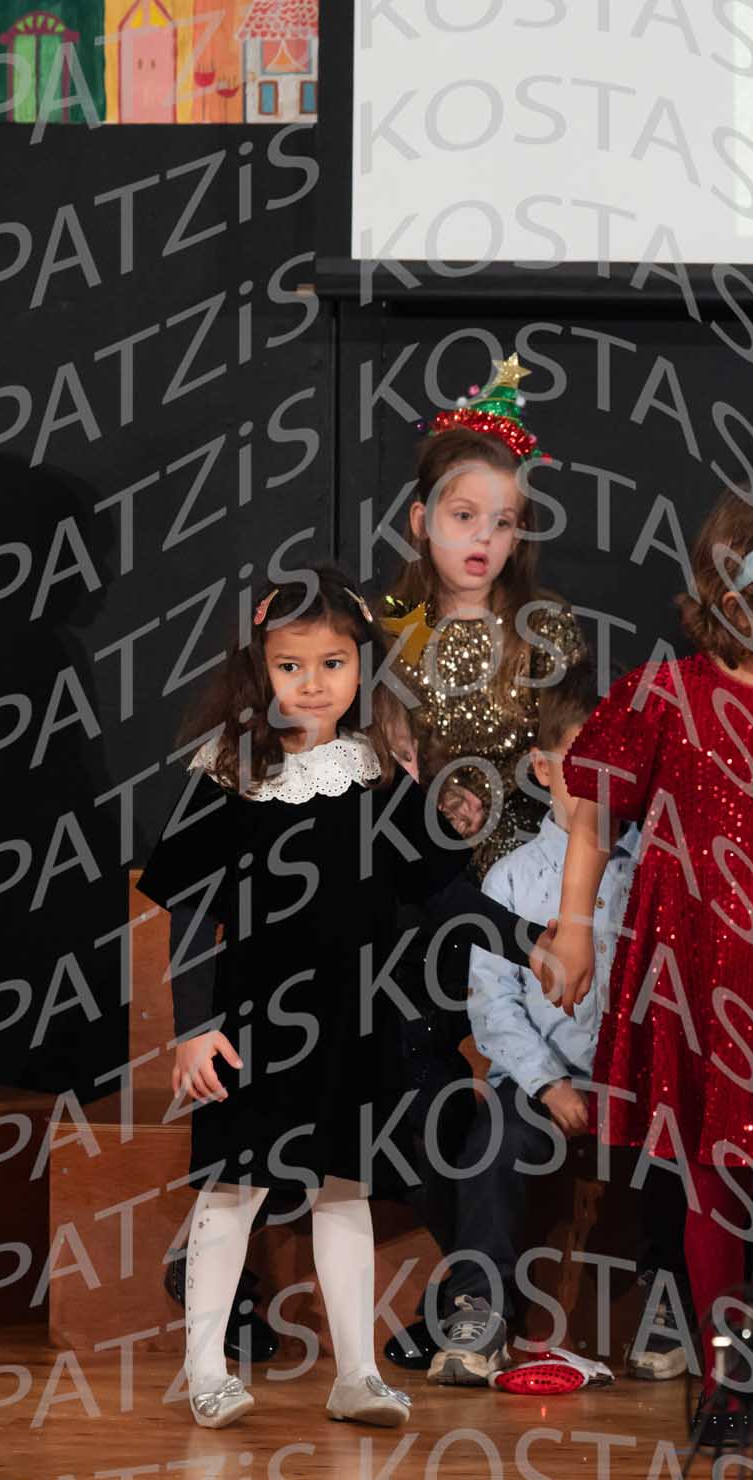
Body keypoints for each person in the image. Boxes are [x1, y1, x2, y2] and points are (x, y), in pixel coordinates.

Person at [135, 566, 539, 1431]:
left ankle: (356, 1374)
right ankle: (206, 1370)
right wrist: (195, 1030)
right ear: (259, 668)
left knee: (344, 1191)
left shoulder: (376, 777)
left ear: (363, 667)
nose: (312, 684)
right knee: (233, 1191)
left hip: (356, 1026)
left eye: (332, 664)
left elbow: (443, 892)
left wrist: (532, 944)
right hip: (250, 1027)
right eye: (290, 666)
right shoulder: (229, 775)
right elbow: (193, 911)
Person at [535, 474, 753, 1457]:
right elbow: (594, 816)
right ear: (736, 603)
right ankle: (727, 1379)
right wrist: (574, 929)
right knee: (714, 1180)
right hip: (690, 964)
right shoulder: (663, 698)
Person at [439, 663, 691, 1387]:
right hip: (544, 1080)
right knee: (490, 1143)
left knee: (683, 1146)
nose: (599, 787)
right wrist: (549, 1085)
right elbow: (494, 1006)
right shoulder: (511, 878)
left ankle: (671, 1304)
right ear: (543, 767)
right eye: (581, 766)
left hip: (643, 1078)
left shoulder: (659, 868)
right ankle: (480, 1308)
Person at [387, 356, 586, 876]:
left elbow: (574, 746)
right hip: (421, 859)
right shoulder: (395, 625)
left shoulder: (543, 626)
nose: (483, 536)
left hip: (531, 858)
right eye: (463, 516)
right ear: (422, 521)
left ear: (517, 536)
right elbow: (375, 753)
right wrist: (437, 795)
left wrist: (498, 796)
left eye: (501, 523)